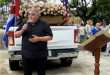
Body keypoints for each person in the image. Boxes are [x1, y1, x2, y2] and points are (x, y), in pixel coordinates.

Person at [14, 8, 53, 75]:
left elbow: (50, 37)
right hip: (26, 55)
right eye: (29, 14)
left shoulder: (44, 24)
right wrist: (22, 30)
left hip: (40, 55)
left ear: (38, 15)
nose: (30, 16)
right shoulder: (24, 23)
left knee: (41, 73)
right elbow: (16, 35)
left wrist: (38, 39)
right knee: (27, 73)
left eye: (33, 14)